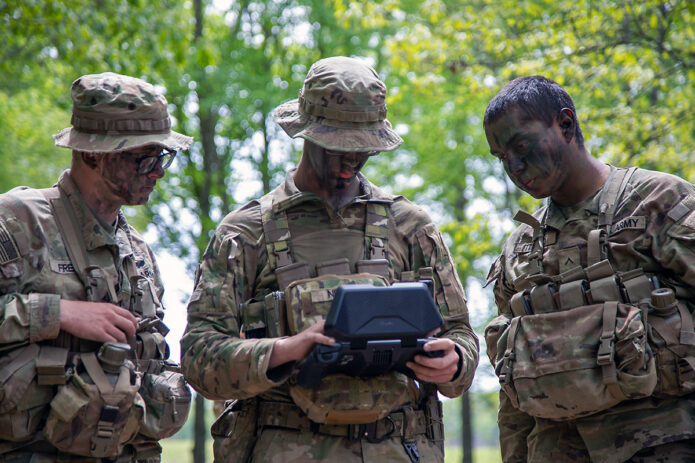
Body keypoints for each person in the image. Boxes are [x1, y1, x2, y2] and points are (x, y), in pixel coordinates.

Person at [181, 56, 479, 463]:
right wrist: (288, 349)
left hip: (397, 448)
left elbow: (461, 333)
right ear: (306, 134)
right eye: (339, 144)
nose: (352, 159)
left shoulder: (410, 226)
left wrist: (455, 361)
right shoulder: (245, 233)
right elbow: (199, 358)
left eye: (364, 148)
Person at [483, 75, 695, 463]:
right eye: (500, 157)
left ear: (565, 125)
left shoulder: (655, 204)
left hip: (664, 444)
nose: (513, 166)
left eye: (521, 145)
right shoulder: (519, 248)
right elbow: (511, 386)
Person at [0, 72, 193, 463]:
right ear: (91, 154)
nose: (157, 172)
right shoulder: (16, 222)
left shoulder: (138, 252)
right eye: (143, 158)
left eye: (162, 157)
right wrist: (59, 313)